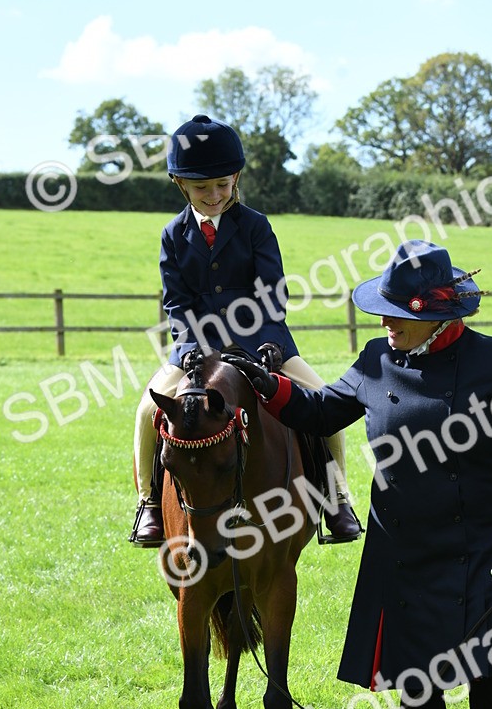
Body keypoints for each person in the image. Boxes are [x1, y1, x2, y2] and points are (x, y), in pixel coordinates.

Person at [224, 241, 492, 709]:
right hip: (402, 546)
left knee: (490, 668)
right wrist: (266, 385)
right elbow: (319, 411)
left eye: (400, 317)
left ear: (437, 321)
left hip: (482, 542)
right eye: (384, 313)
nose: (386, 325)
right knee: (416, 677)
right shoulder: (375, 360)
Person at [130, 114, 361, 546]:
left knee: (325, 405)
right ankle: (147, 504)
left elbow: (272, 296)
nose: (215, 195)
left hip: (265, 342)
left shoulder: (255, 225)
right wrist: (193, 347)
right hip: (195, 350)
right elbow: (177, 302)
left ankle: (337, 498)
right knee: (146, 411)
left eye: (223, 184)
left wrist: (263, 346)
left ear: (236, 177)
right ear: (180, 183)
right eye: (202, 188)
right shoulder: (172, 235)